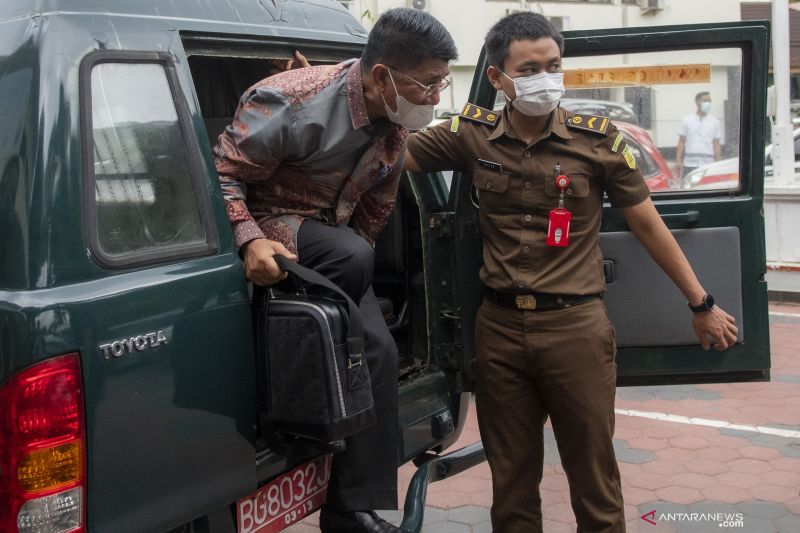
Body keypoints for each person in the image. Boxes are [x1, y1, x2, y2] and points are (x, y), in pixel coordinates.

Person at [404, 12, 738, 533]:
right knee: (511, 487)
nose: (545, 77)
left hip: (575, 330)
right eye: (530, 68)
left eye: (553, 65)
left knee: (594, 482)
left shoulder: (599, 141)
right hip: (500, 332)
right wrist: (335, 94)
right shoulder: (472, 135)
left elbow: (648, 225)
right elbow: (387, 154)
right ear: (498, 78)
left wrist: (701, 303)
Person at [212, 8, 456, 533]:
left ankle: (350, 509)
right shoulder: (291, 101)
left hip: (332, 242)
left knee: (380, 349)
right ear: (382, 76)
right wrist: (249, 239)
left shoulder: (395, 123)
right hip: (270, 221)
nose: (436, 96)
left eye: (443, 81)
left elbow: (376, 206)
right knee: (352, 256)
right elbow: (223, 173)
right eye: (429, 82)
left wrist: (355, 272)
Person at [675, 91, 721, 178]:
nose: (708, 103)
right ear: (697, 102)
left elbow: (716, 144)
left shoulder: (715, 122)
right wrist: (678, 161)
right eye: (705, 101)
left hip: (708, 165)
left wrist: (718, 163)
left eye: (709, 101)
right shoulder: (687, 120)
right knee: (687, 190)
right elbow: (681, 141)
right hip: (689, 164)